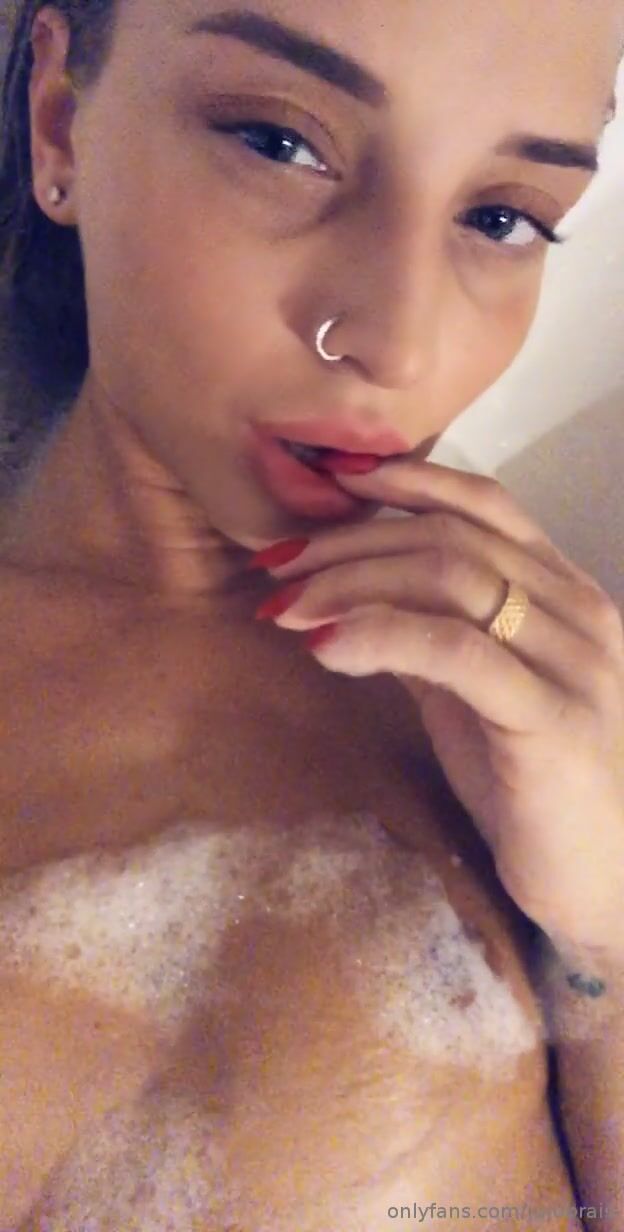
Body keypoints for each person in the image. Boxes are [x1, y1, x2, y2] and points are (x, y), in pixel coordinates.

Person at [0, 1, 623, 1228]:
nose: (398, 343)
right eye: (282, 142)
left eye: (503, 217)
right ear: (62, 121)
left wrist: (608, 926)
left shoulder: (551, 720)